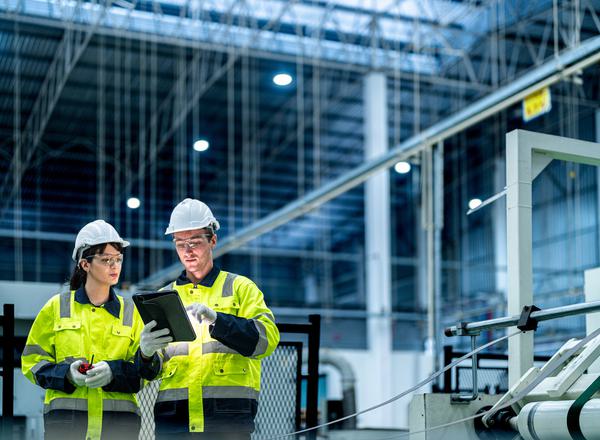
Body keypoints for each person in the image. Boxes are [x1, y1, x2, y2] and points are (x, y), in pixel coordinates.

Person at [21, 220, 172, 440]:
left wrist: (137, 360)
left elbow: (146, 375)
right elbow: (32, 363)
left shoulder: (132, 312)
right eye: (106, 260)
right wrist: (67, 375)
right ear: (85, 265)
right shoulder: (57, 307)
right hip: (67, 425)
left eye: (118, 259)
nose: (115, 266)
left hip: (118, 427)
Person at [154, 198, 280, 439]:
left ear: (212, 240)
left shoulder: (241, 288)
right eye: (180, 244)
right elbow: (151, 369)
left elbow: (267, 340)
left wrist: (218, 321)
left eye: (195, 242)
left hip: (228, 421)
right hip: (174, 423)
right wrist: (146, 352)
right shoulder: (165, 297)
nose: (187, 251)